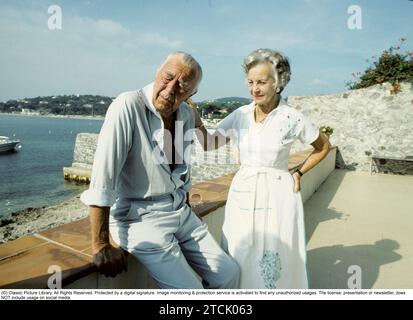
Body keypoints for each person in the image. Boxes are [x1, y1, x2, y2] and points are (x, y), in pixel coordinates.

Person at [80, 51, 240, 289]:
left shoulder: (186, 114)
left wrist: (184, 204)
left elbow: (182, 168)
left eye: (183, 86)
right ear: (157, 72)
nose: (171, 88)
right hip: (139, 219)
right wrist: (101, 244)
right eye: (168, 77)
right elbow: (103, 178)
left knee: (229, 274)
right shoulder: (128, 105)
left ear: (191, 94)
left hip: (180, 212)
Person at [192, 48, 330, 288]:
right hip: (243, 189)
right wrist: (194, 117)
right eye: (250, 82)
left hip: (279, 195)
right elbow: (208, 143)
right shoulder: (240, 115)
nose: (255, 88)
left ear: (278, 83)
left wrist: (298, 172)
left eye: (262, 82)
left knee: (275, 252)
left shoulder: (292, 117)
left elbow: (323, 146)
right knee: (238, 247)